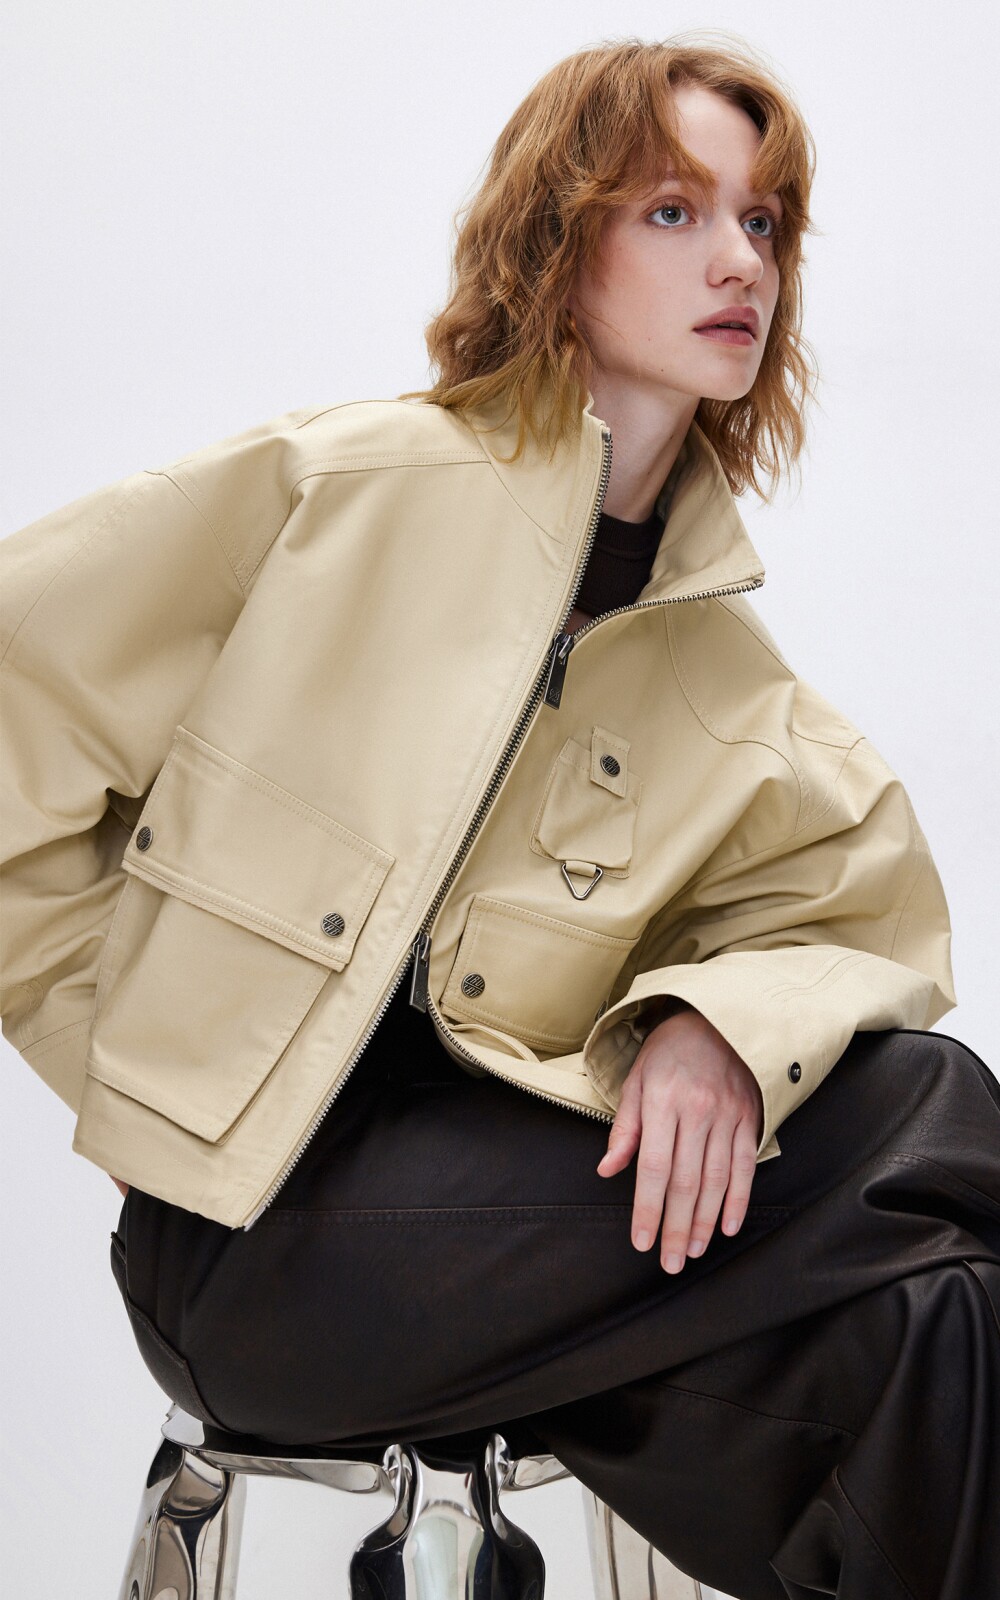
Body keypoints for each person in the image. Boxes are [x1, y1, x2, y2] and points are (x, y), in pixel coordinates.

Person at [2, 34, 998, 1600]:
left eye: (763, 221)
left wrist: (721, 1027)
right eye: (674, 212)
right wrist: (141, 1078)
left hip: (508, 1228)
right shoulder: (349, 490)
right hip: (256, 1248)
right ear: (559, 236)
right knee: (937, 1112)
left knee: (940, 1331)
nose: (741, 260)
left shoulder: (724, 673)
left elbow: (862, 911)